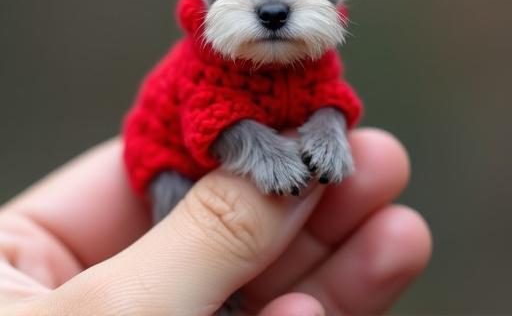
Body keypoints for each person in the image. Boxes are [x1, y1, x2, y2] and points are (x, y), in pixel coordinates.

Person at [0, 128, 431, 315]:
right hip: (168, 172)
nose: (274, 3)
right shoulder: (205, 78)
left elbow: (334, 104)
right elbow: (210, 126)